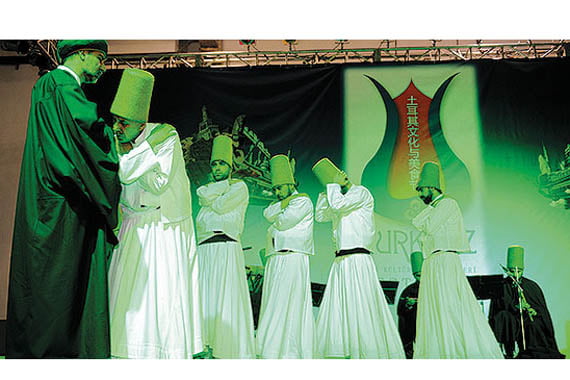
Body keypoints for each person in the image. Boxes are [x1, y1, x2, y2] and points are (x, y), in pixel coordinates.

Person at [6, 40, 121, 358]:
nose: (102, 66)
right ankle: (61, 354)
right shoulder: (61, 84)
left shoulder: (44, 85)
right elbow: (89, 133)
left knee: (43, 280)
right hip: (64, 203)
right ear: (82, 53)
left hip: (46, 196)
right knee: (62, 281)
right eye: (100, 58)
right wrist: (113, 139)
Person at [106, 68, 203, 359]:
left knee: (163, 294)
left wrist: (126, 153)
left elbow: (153, 181)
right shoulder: (135, 141)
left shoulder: (166, 134)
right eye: (115, 121)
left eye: (123, 123)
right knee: (129, 293)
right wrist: (133, 150)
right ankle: (124, 349)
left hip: (165, 227)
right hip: (135, 224)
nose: (117, 128)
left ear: (139, 121)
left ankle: (165, 352)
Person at [312, 158, 405, 359]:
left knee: (362, 302)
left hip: (358, 258)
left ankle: (368, 348)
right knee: (340, 304)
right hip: (340, 260)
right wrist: (324, 191)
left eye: (339, 173)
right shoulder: (335, 194)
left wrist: (332, 187)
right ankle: (342, 347)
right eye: (334, 177)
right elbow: (320, 216)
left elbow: (337, 205)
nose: (340, 176)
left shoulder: (360, 192)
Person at [412, 162, 503, 359]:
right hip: (432, 262)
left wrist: (426, 216)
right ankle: (440, 352)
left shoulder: (447, 204)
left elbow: (427, 226)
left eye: (421, 189)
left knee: (450, 305)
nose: (420, 195)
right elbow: (418, 223)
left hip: (445, 260)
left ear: (431, 187)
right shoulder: (435, 207)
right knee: (434, 308)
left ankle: (458, 351)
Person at [195, 134, 255, 359]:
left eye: (221, 163)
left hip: (227, 246)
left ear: (230, 166)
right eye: (214, 164)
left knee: (225, 296)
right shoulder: (206, 191)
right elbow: (203, 199)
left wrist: (214, 195)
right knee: (205, 296)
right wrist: (215, 193)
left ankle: (225, 346)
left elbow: (220, 206)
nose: (218, 168)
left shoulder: (240, 187)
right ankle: (204, 344)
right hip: (205, 248)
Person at [256, 154, 315, 359]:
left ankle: (289, 350)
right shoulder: (283, 203)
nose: (278, 192)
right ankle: (272, 347)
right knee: (274, 301)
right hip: (275, 258)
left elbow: (283, 222)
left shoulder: (303, 201)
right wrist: (281, 205)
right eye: (275, 189)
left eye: (280, 188)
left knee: (289, 302)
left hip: (293, 257)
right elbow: (267, 213)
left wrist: (281, 208)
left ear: (290, 184)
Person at [488, 245, 565, 359]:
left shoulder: (532, 286)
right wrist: (515, 307)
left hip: (528, 320)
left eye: (519, 271)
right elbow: (497, 310)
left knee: (536, 323)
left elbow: (542, 311)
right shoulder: (502, 286)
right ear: (508, 271)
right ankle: (509, 352)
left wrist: (532, 310)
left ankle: (535, 353)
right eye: (512, 271)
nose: (516, 274)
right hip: (512, 321)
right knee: (505, 317)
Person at [396, 251, 423, 359]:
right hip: (413, 327)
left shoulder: (433, 288)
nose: (420, 278)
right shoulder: (408, 290)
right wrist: (408, 305)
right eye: (417, 275)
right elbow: (400, 310)